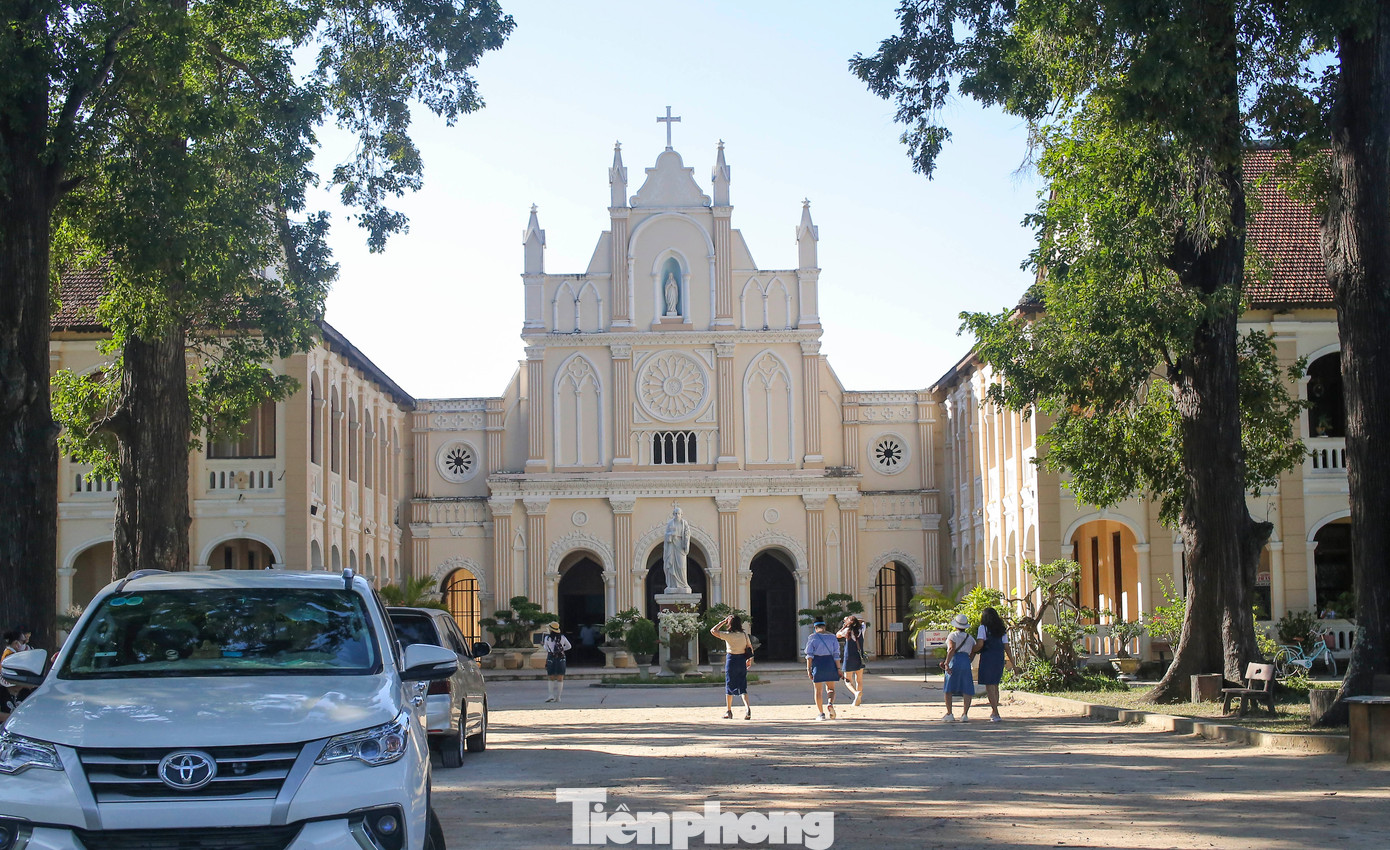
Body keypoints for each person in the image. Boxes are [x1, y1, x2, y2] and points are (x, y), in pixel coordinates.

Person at [971, 607, 1014, 722]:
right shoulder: (1001, 629)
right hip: (999, 657)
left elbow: (980, 644)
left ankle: (995, 711)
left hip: (988, 657)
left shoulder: (983, 628)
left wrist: (972, 650)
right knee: (995, 685)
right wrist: (1013, 663)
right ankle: (995, 710)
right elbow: (1006, 647)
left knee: (989, 686)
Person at [710, 614, 753, 719]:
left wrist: (723, 622)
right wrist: (749, 660)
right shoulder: (744, 634)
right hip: (742, 660)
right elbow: (750, 647)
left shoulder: (728, 635)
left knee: (729, 686)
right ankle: (747, 708)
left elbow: (713, 631)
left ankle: (729, 711)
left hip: (731, 660)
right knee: (742, 686)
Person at [804, 620, 842, 720]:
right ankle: (830, 703)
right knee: (831, 688)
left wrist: (808, 669)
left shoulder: (812, 638)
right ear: (825, 627)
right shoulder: (832, 637)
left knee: (818, 690)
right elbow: (836, 655)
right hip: (830, 663)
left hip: (818, 664)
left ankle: (821, 713)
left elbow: (809, 655)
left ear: (815, 628)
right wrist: (838, 669)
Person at [941, 613, 976, 722]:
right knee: (967, 687)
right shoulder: (970, 638)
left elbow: (951, 649)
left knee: (949, 687)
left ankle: (949, 713)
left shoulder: (953, 635)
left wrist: (946, 663)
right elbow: (974, 651)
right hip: (965, 661)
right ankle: (965, 714)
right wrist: (969, 659)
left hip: (954, 660)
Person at [837, 615, 868, 706]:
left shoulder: (846, 631)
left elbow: (837, 634)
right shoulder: (861, 630)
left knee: (847, 680)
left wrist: (845, 624)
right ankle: (858, 699)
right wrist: (854, 620)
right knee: (859, 679)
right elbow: (863, 622)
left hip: (849, 657)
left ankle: (855, 693)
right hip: (859, 656)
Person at [542, 623, 571, 703]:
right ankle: (558, 697)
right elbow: (569, 646)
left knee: (551, 677)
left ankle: (551, 695)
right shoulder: (562, 637)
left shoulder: (547, 638)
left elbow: (546, 648)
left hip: (551, 657)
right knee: (560, 677)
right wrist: (561, 650)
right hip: (561, 658)